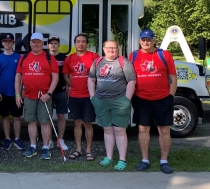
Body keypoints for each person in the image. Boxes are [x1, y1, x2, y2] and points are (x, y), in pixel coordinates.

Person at [129, 28, 177, 174]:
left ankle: (164, 161)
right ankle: (145, 160)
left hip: (163, 98)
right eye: (143, 40)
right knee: (143, 129)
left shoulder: (164, 55)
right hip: (141, 99)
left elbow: (173, 77)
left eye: (149, 40)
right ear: (139, 41)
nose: (146, 42)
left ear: (154, 40)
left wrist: (171, 96)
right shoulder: (133, 55)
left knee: (164, 130)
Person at [88, 40, 136, 170]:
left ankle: (122, 159)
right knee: (107, 129)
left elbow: (132, 81)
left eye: (114, 48)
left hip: (119, 100)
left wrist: (127, 99)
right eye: (108, 48)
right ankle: (109, 157)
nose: (111, 50)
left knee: (120, 130)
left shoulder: (124, 61)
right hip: (101, 101)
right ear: (103, 49)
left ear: (118, 49)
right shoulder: (97, 62)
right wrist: (93, 97)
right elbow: (91, 79)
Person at [15, 33, 58, 160]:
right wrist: (18, 94)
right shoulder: (24, 57)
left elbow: (55, 77)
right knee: (31, 121)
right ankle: (33, 146)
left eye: (38, 41)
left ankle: (45, 148)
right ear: (30, 43)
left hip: (45, 96)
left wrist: (49, 93)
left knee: (45, 122)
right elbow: (18, 76)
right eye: (33, 41)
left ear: (42, 43)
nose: (36, 44)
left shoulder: (49, 57)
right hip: (28, 95)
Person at [63, 34, 99, 161]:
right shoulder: (70, 58)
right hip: (74, 96)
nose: (81, 44)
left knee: (88, 123)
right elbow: (66, 75)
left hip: (89, 96)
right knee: (77, 123)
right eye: (78, 41)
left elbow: (101, 73)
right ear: (75, 44)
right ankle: (78, 149)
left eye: (83, 41)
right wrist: (71, 85)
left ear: (87, 44)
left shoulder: (94, 57)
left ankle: (89, 150)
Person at [0, 33, 25, 151]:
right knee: (5, 117)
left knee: (17, 117)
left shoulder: (19, 57)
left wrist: (21, 91)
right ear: (2, 43)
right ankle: (7, 139)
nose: (7, 43)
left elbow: (22, 76)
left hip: (16, 93)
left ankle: (17, 139)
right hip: (3, 93)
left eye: (10, 41)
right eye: (5, 41)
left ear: (13, 43)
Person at [47, 36, 69, 151]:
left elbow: (67, 74)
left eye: (55, 43)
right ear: (48, 45)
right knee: (48, 117)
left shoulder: (64, 58)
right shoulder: (45, 57)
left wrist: (68, 86)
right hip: (48, 92)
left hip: (61, 90)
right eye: (51, 43)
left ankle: (60, 140)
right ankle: (49, 140)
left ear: (59, 45)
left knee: (61, 116)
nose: (53, 45)